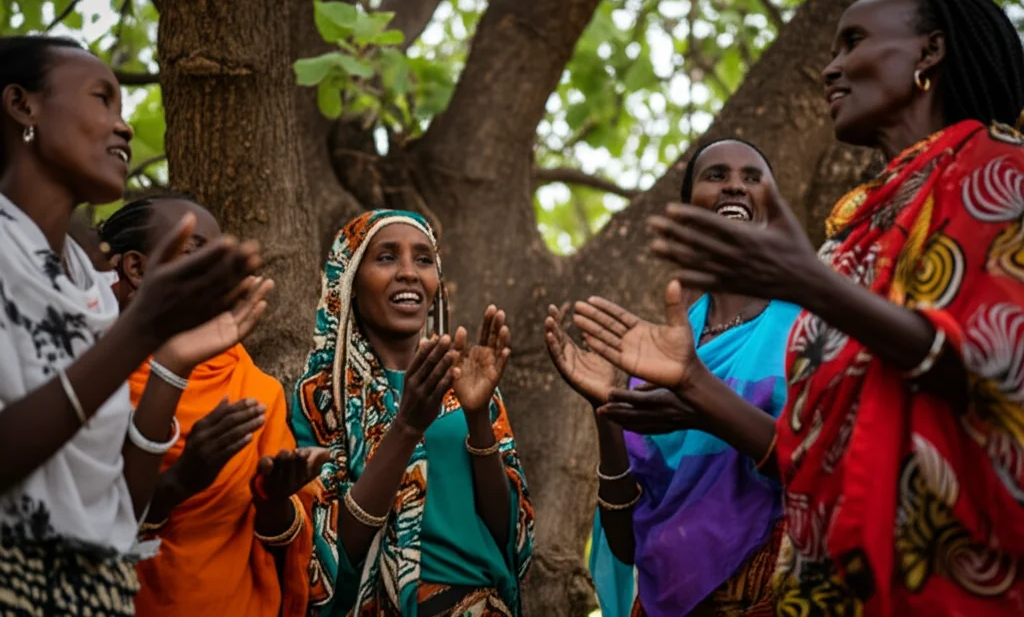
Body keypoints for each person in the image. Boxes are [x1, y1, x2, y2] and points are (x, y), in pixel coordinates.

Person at [573, 0, 1024, 615]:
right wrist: (690, 388)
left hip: (950, 567)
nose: (830, 67)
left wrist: (807, 286)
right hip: (835, 584)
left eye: (855, 41)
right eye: (716, 176)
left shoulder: (997, 170)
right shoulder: (853, 235)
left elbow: (995, 370)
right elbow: (811, 455)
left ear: (930, 52)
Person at [0, 36, 263, 614]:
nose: (122, 127)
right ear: (23, 106)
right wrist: (138, 335)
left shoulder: (88, 290)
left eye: (124, 109)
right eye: (102, 100)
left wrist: (169, 364)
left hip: (95, 595)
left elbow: (125, 508)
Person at [547, 139, 799, 617]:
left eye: (752, 178)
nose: (734, 186)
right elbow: (624, 543)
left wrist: (700, 404)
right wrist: (607, 411)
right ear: (687, 215)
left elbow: (822, 467)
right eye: (716, 175)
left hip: (778, 593)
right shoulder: (656, 364)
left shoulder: (807, 328)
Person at [290, 209, 534, 616]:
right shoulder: (323, 397)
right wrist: (406, 428)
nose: (409, 272)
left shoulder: (464, 383)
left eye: (423, 259)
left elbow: (509, 536)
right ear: (348, 281)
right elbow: (329, 560)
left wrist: (477, 419)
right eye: (386, 257)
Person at [97, 193, 328, 617]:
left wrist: (272, 498)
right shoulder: (94, 372)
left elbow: (285, 545)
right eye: (194, 257)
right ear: (134, 267)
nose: (217, 277)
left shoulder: (255, 388)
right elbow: (84, 516)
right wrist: (181, 482)